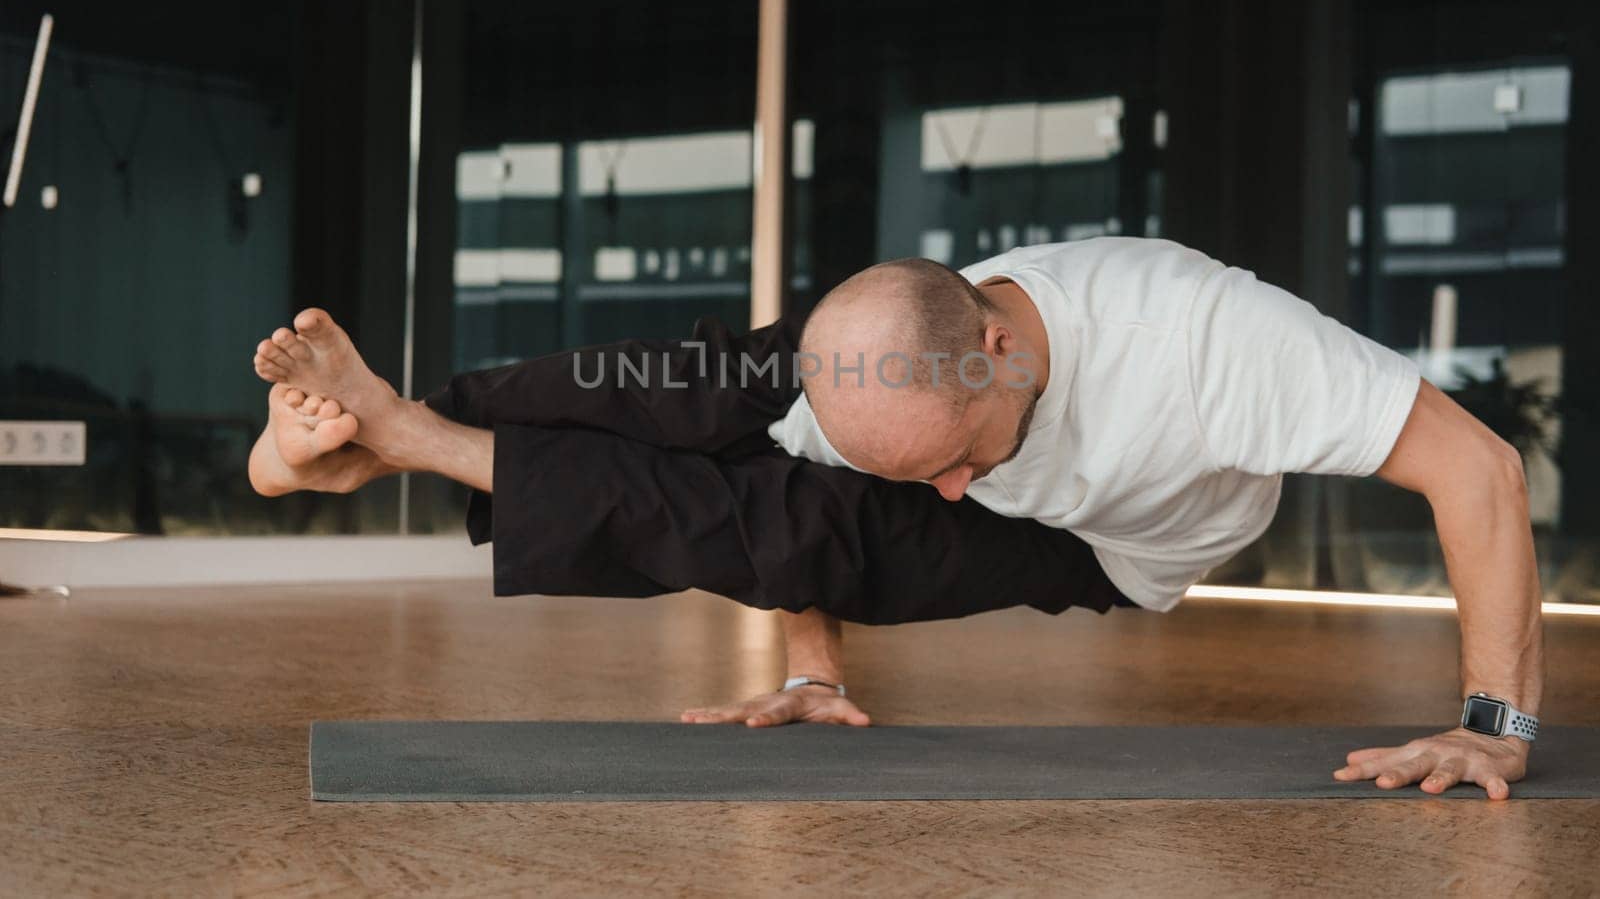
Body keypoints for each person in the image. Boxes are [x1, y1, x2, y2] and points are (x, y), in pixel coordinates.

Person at [250, 237, 1542, 800]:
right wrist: (814, 669)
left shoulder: (1217, 348)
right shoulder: (900, 362)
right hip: (896, 388)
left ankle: (380, 447)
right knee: (700, 392)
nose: (947, 491)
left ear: (1000, 342)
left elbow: (1477, 469)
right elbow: (805, 517)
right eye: (925, 469)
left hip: (1098, 538)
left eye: (966, 456)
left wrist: (1498, 731)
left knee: (795, 516)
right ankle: (385, 434)